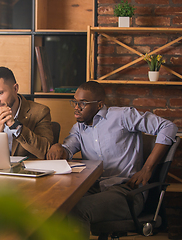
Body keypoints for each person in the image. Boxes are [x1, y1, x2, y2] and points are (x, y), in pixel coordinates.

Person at [46, 81, 178, 238]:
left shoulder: (122, 116)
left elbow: (168, 127)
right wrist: (58, 147)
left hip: (127, 192)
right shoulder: (79, 129)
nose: (76, 107)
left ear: (99, 105)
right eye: (75, 102)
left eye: (83, 103)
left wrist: (147, 168)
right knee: (55, 207)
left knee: (78, 211)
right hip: (95, 189)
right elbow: (67, 149)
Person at [0, 66, 54, 159]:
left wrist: (16, 127)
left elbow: (45, 151)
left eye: (0, 93)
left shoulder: (40, 112)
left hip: (26, 171)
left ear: (15, 88)